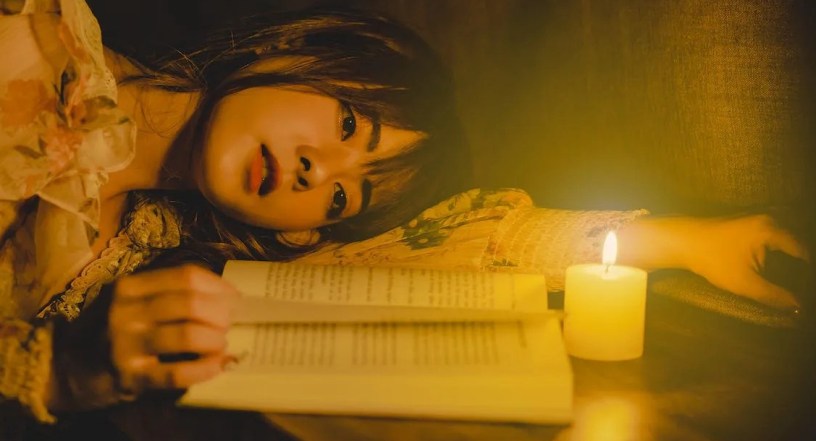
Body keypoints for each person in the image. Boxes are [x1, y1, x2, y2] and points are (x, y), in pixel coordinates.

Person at [0, 0, 809, 427]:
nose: (324, 170)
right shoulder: (35, 42)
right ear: (290, 53)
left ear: (304, 232)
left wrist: (674, 238)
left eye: (344, 197)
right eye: (350, 122)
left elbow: (445, 244)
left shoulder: (131, 238)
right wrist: (67, 371)